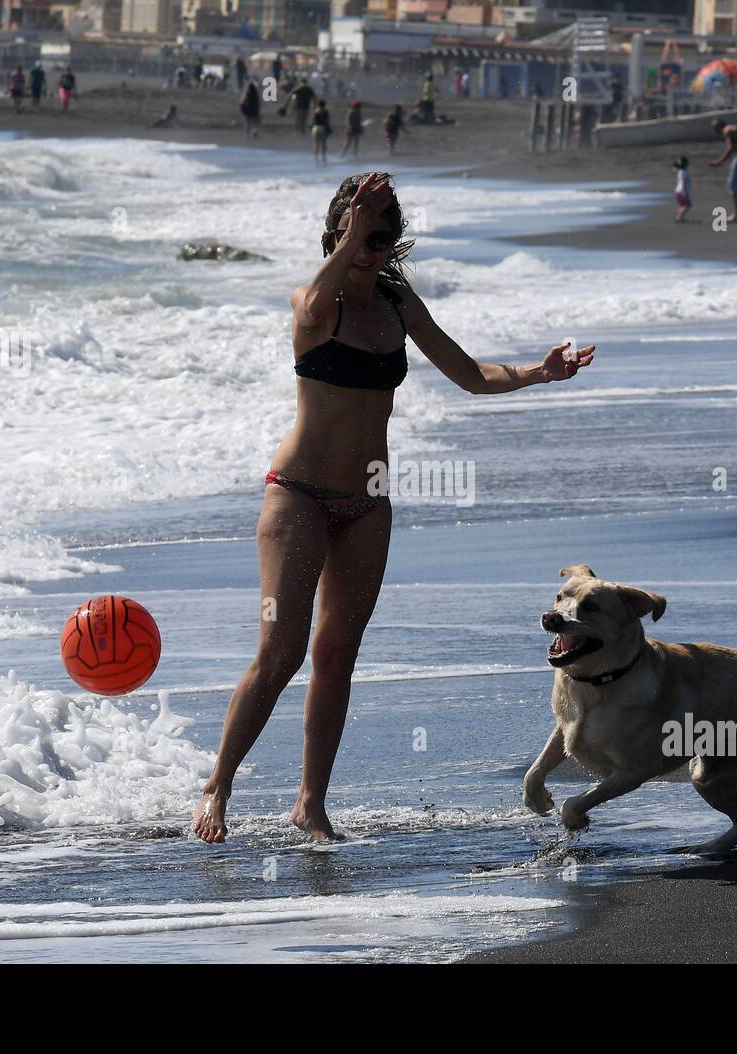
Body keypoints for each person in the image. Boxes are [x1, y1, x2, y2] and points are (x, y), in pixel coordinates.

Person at [191, 173, 595, 844]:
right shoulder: (316, 300)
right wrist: (351, 234)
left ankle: (310, 804)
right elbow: (308, 308)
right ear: (337, 232)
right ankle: (218, 785)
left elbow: (469, 374)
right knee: (281, 650)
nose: (373, 251)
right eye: (361, 236)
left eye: (384, 239)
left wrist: (536, 372)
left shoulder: (397, 300)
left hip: (368, 503)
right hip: (297, 496)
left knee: (336, 656)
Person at [708, 117, 737, 223]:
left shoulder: (727, 130)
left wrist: (718, 162)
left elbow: (730, 148)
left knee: (734, 185)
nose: (714, 131)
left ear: (720, 126)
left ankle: (736, 215)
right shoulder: (732, 128)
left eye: (715, 128)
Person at [311, 98, 330, 165]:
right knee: (323, 144)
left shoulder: (316, 111)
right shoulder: (326, 111)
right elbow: (327, 121)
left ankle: (316, 158)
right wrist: (328, 128)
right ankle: (323, 157)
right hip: (322, 128)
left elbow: (313, 121)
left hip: (316, 128)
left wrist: (311, 127)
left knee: (316, 144)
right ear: (324, 105)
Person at [673, 156, 692, 221]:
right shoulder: (683, 172)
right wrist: (684, 192)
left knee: (683, 205)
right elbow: (683, 182)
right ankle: (679, 217)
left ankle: (679, 216)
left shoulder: (681, 171)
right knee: (687, 205)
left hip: (678, 191)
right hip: (681, 191)